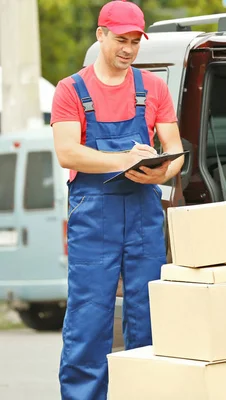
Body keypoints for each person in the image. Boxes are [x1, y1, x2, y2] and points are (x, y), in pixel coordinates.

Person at [50, 1, 183, 398]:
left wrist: (164, 171)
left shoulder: (153, 88)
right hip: (94, 216)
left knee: (148, 317)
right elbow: (68, 153)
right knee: (90, 319)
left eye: (134, 42)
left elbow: (173, 148)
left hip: (143, 212)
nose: (127, 49)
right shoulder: (70, 90)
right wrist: (123, 159)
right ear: (100, 35)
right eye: (120, 40)